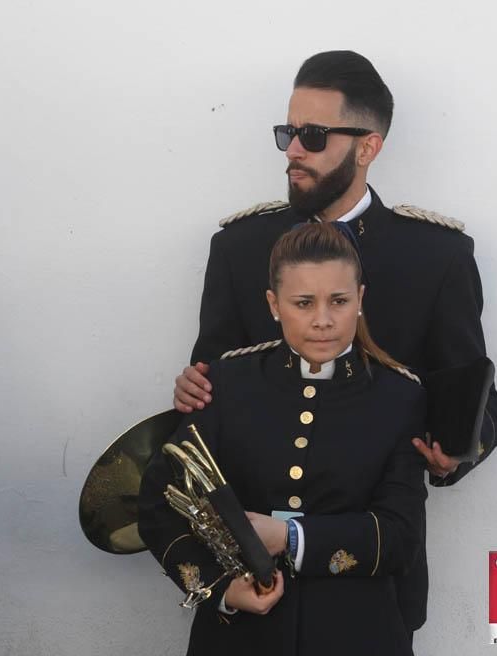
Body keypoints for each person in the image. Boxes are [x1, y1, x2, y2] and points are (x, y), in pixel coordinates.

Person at [171, 50, 497, 633]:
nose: (293, 150)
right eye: (289, 132)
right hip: (249, 576)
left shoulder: (436, 257)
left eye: (313, 135)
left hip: (371, 581)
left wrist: (455, 453)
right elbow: (215, 381)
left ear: (368, 147)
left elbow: (478, 406)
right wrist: (191, 389)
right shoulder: (239, 246)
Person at [140, 222, 427, 655]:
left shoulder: (400, 396)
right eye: (303, 303)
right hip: (237, 637)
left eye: (339, 301)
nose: (323, 320)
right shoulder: (225, 383)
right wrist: (220, 589)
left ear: (361, 300)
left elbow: (401, 533)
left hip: (359, 633)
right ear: (274, 305)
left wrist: (290, 537)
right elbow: (159, 501)